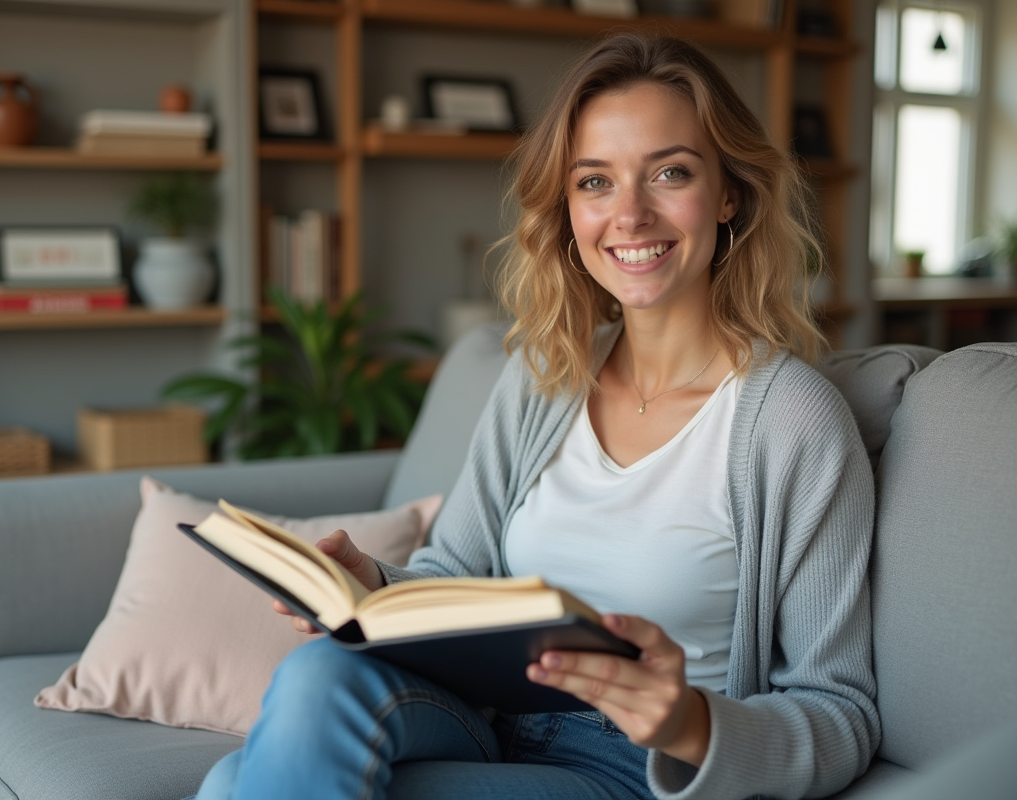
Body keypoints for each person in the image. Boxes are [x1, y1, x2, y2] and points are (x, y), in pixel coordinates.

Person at [195, 31, 879, 800]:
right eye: (595, 182)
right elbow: (454, 575)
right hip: (488, 722)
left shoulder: (792, 421)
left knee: (232, 783)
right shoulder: (545, 376)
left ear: (728, 194)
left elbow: (841, 711)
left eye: (671, 173)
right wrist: (372, 590)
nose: (630, 214)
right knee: (320, 669)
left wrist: (688, 721)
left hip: (634, 770)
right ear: (567, 206)